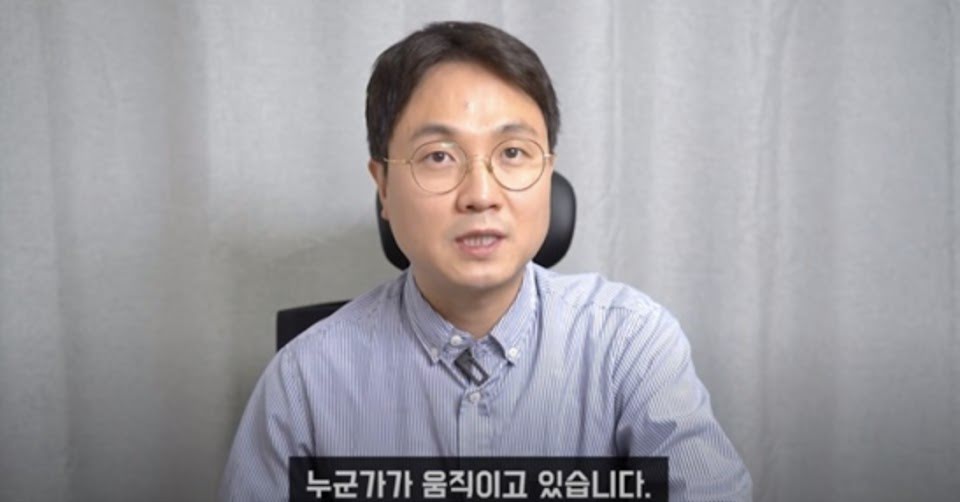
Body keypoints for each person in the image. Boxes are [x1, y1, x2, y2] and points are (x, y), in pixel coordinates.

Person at [219, 21, 752, 501]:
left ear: (548, 173)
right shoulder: (306, 378)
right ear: (383, 186)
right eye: (438, 157)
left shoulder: (629, 344)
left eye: (513, 153)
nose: (480, 195)